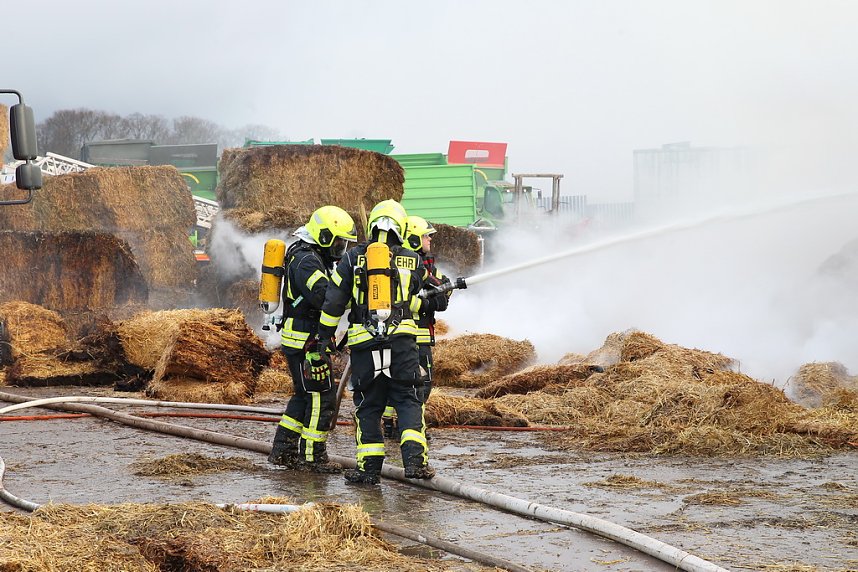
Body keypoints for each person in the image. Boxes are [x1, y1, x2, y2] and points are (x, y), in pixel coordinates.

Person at [315, 199, 435, 485]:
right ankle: (416, 463)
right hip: (403, 343)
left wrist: (325, 338)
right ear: (402, 227)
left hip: (365, 345)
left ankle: (369, 470)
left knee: (369, 404)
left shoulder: (351, 258)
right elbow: (420, 287)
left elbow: (334, 301)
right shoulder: (413, 259)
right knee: (407, 399)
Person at [267, 205, 357, 473]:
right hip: (307, 339)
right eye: (339, 242)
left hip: (301, 337)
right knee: (322, 397)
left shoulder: (306, 254)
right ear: (324, 236)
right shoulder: (307, 261)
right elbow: (324, 295)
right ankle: (313, 457)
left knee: (304, 396)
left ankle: (283, 451)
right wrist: (355, 297)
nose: (340, 248)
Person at [381, 215, 451, 439]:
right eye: (425, 236)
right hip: (411, 336)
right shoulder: (405, 264)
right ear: (412, 239)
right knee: (420, 384)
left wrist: (438, 295)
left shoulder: (425, 264)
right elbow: (398, 301)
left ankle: (391, 424)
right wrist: (426, 302)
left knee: (401, 381)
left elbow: (443, 289)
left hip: (414, 334)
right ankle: (411, 427)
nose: (430, 239)